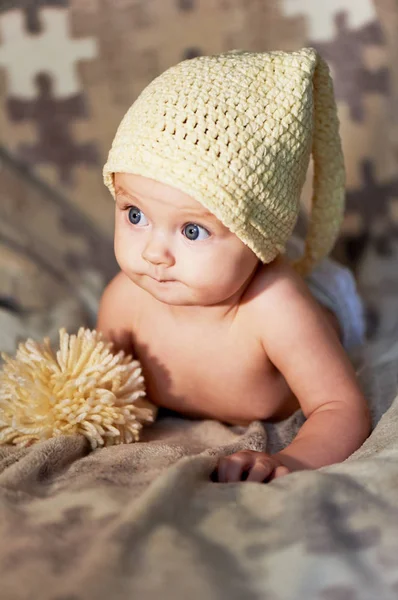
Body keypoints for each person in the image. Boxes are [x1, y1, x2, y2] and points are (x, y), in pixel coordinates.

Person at [97, 48, 371, 483]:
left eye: (191, 231)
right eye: (135, 215)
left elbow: (341, 408)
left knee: (333, 290)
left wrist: (293, 459)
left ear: (254, 240)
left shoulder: (274, 307)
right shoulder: (125, 301)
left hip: (312, 302)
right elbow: (96, 393)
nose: (153, 253)